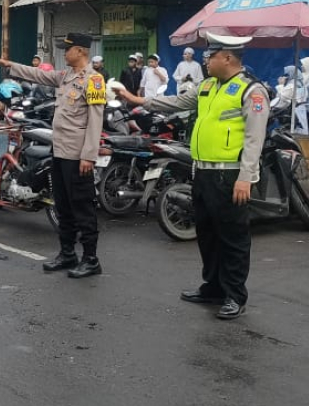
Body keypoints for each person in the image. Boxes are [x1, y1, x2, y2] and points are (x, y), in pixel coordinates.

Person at [114, 33, 270, 320]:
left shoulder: (251, 91)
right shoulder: (208, 85)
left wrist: (246, 177)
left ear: (227, 57)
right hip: (203, 172)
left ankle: (235, 295)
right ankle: (212, 287)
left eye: (210, 56)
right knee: (207, 235)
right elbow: (176, 102)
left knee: (232, 237)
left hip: (230, 176)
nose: (205, 61)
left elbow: (254, 138)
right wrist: (136, 98)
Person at [0, 31, 106, 278]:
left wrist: (88, 156)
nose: (65, 52)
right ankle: (67, 253)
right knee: (62, 206)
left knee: (82, 207)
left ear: (81, 51)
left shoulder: (94, 80)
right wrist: (9, 65)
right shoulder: (65, 77)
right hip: (60, 151)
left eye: (68, 48)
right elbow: (38, 74)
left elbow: (96, 120)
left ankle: (91, 259)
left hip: (78, 156)